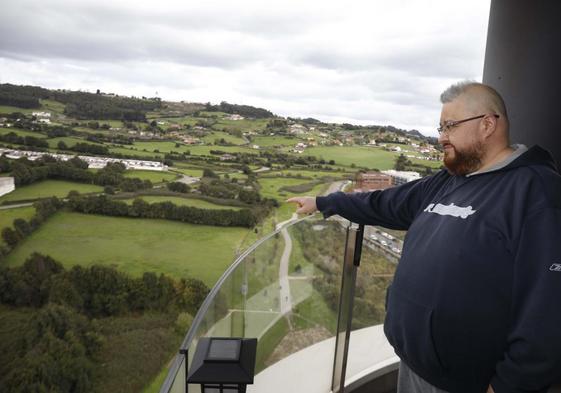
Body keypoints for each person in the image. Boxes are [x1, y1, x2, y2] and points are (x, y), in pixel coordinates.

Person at [288, 81, 561, 393]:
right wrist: (325, 202)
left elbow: (548, 311)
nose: (441, 137)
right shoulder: (449, 181)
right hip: (415, 365)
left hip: (468, 383)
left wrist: (508, 385)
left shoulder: (538, 193)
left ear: (487, 125)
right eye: (440, 126)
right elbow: (386, 203)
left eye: (450, 126)